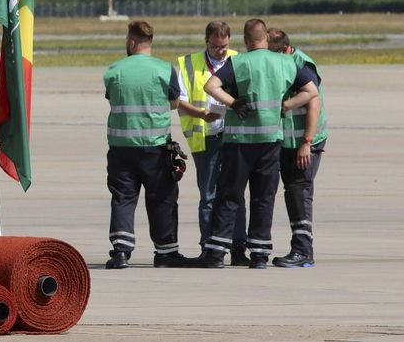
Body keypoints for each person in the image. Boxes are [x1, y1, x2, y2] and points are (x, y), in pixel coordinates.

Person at [196, 19, 318, 269]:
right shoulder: (285, 62)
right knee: (264, 197)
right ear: (265, 38)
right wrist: (286, 105)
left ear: (246, 40)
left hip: (239, 141)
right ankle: (260, 254)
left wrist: (233, 103)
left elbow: (211, 86)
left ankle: (217, 252)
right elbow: (311, 91)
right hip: (271, 141)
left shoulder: (238, 62)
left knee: (229, 195)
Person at [103, 21, 189, 269]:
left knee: (123, 198)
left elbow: (112, 98)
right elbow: (174, 102)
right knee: (162, 198)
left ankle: (121, 251)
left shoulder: (114, 70)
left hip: (121, 147)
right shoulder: (164, 69)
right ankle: (166, 252)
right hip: (155, 147)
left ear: (131, 42)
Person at [177, 21, 249, 265]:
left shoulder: (238, 60)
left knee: (235, 194)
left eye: (225, 46)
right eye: (216, 47)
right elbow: (179, 100)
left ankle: (239, 247)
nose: (221, 51)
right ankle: (209, 248)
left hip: (233, 137)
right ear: (207, 41)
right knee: (208, 195)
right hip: (205, 137)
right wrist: (200, 114)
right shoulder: (188, 64)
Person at [268, 27, 326, 268]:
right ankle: (302, 248)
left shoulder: (302, 64)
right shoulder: (282, 62)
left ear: (283, 49)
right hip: (288, 140)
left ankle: (303, 250)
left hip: (305, 140)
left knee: (299, 191)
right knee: (292, 192)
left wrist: (307, 143)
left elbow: (313, 104)